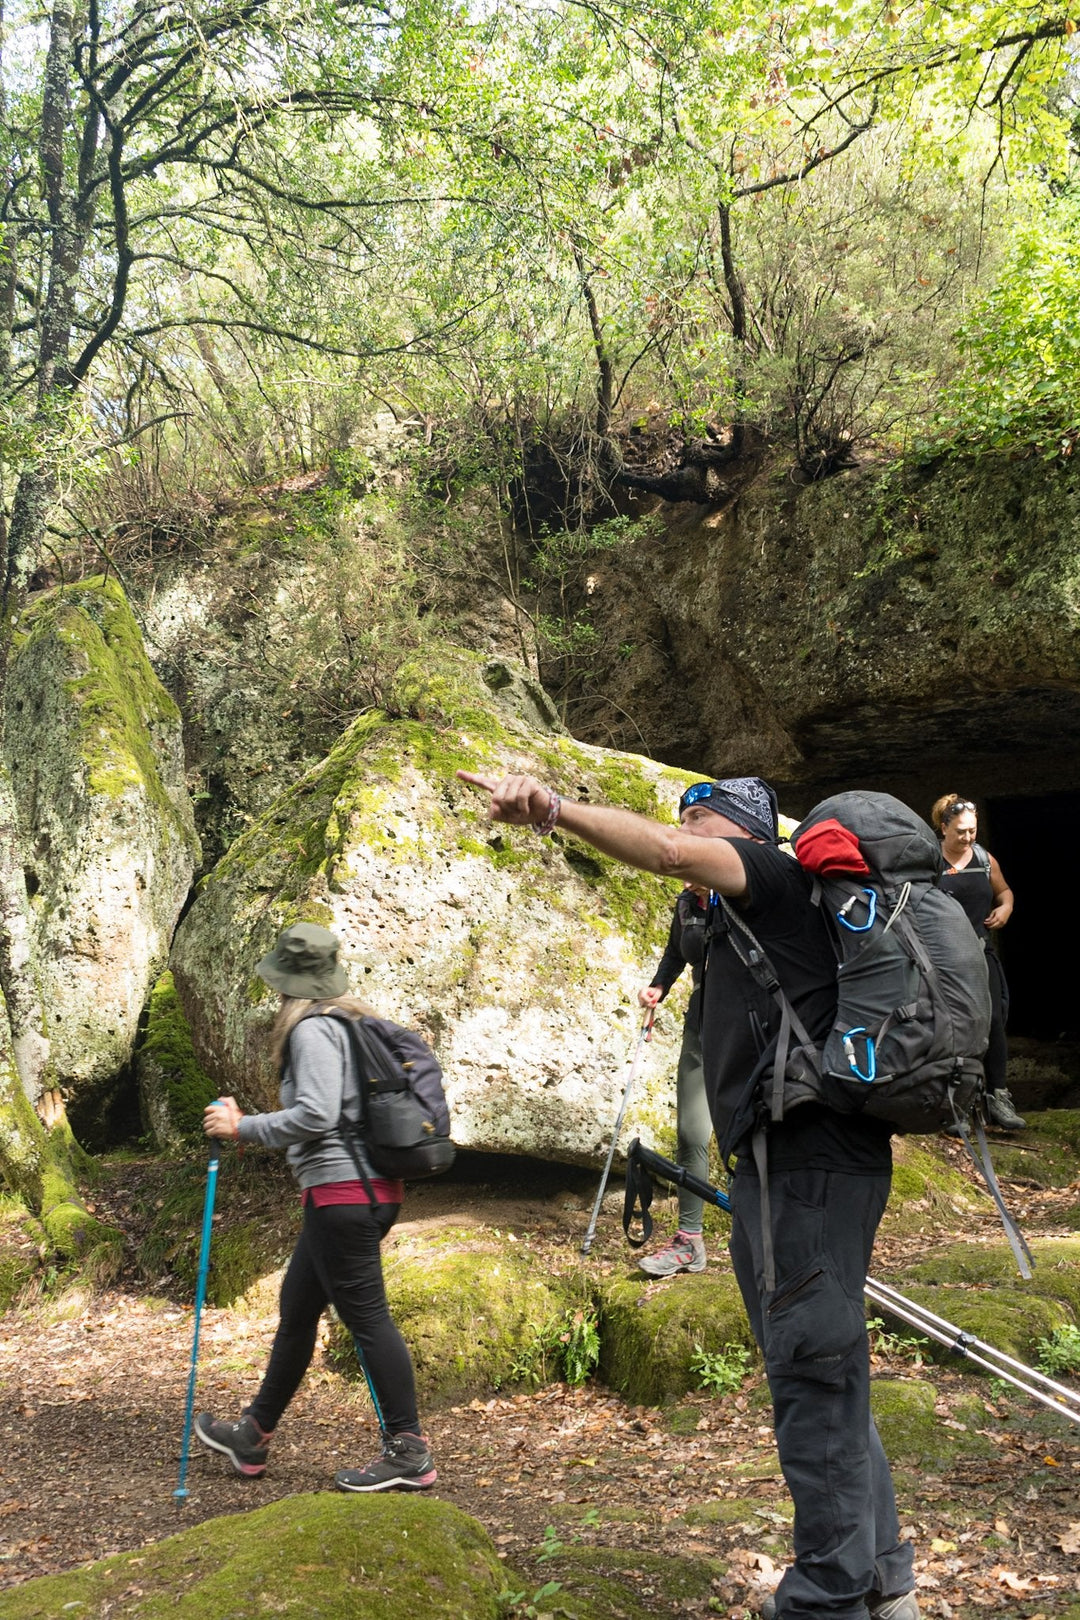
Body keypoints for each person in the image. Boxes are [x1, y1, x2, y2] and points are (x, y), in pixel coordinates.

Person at [457, 767, 917, 1620]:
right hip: (788, 1167)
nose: (685, 831)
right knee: (828, 1368)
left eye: (699, 817)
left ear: (738, 829)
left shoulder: (773, 878)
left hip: (805, 1169)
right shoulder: (744, 919)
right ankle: (883, 1576)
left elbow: (669, 854)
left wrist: (554, 809)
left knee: (811, 1375)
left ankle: (827, 1599)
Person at [196, 921, 439, 1492]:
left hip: (342, 1195)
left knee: (366, 1318)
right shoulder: (355, 1023)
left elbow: (316, 1115)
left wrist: (242, 1127)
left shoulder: (312, 1030)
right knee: (298, 1306)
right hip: (364, 1191)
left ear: (288, 983)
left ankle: (409, 1451)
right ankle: (252, 1434)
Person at [931, 795, 1023, 1132]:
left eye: (972, 830)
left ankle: (997, 1097)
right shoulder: (930, 862)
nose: (968, 837)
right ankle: (955, 1102)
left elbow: (1005, 893)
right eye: (960, 832)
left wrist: (1006, 908)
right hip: (943, 959)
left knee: (994, 1020)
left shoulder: (984, 859)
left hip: (979, 952)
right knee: (951, 1026)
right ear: (943, 828)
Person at [636, 882, 712, 1276]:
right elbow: (675, 953)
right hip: (701, 1027)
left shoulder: (743, 890)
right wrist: (659, 986)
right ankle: (690, 1240)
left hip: (752, 1031)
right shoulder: (687, 903)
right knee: (691, 1132)